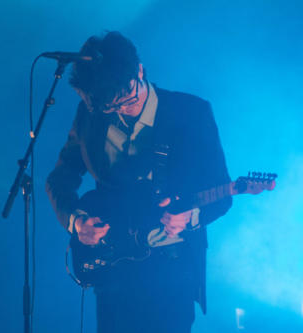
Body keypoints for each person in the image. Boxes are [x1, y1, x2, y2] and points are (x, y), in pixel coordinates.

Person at [46, 31, 232, 333]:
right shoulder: (90, 114)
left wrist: (190, 217)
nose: (122, 108)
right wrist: (77, 223)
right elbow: (61, 177)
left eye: (127, 97)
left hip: (172, 269)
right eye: (110, 105)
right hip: (111, 269)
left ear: (140, 71)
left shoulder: (191, 112)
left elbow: (223, 193)